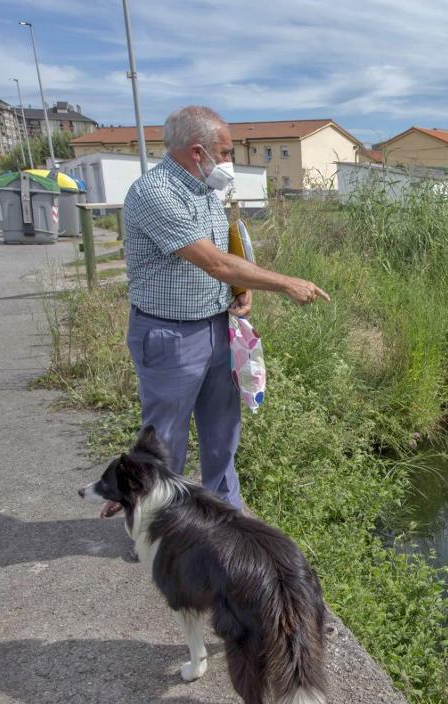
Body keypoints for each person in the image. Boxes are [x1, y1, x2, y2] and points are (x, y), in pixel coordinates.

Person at [108, 105, 329, 516]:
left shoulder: (205, 193)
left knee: (222, 430)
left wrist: (240, 289)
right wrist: (285, 283)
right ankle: (157, 523)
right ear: (198, 152)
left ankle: (226, 515)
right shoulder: (156, 193)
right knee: (165, 439)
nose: (228, 162)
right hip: (170, 335)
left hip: (215, 327)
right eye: (225, 153)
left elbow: (226, 255)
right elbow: (212, 261)